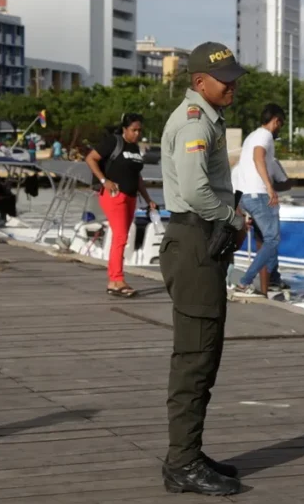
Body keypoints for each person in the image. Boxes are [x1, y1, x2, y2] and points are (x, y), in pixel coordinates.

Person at [158, 41, 248, 496]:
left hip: (197, 242)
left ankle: (189, 451)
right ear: (199, 82)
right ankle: (183, 462)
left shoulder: (205, 119)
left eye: (233, 75)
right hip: (194, 240)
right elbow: (195, 191)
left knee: (203, 352)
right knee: (195, 357)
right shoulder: (195, 123)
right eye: (224, 78)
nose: (232, 84)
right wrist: (232, 218)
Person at [85, 113, 156, 297]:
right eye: (134, 130)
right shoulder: (113, 142)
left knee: (121, 237)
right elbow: (90, 158)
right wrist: (104, 181)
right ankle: (116, 280)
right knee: (121, 236)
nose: (137, 133)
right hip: (114, 195)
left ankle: (115, 280)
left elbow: (137, 177)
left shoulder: (134, 148)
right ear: (124, 129)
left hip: (131, 197)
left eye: (139, 130)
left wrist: (148, 199)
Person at [232, 103, 288, 296]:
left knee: (264, 240)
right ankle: (245, 281)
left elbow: (243, 166)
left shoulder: (251, 136)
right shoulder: (264, 136)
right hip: (259, 194)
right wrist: (270, 187)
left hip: (246, 195)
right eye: (280, 124)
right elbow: (258, 158)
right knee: (273, 240)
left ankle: (271, 281)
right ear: (276, 121)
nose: (279, 128)